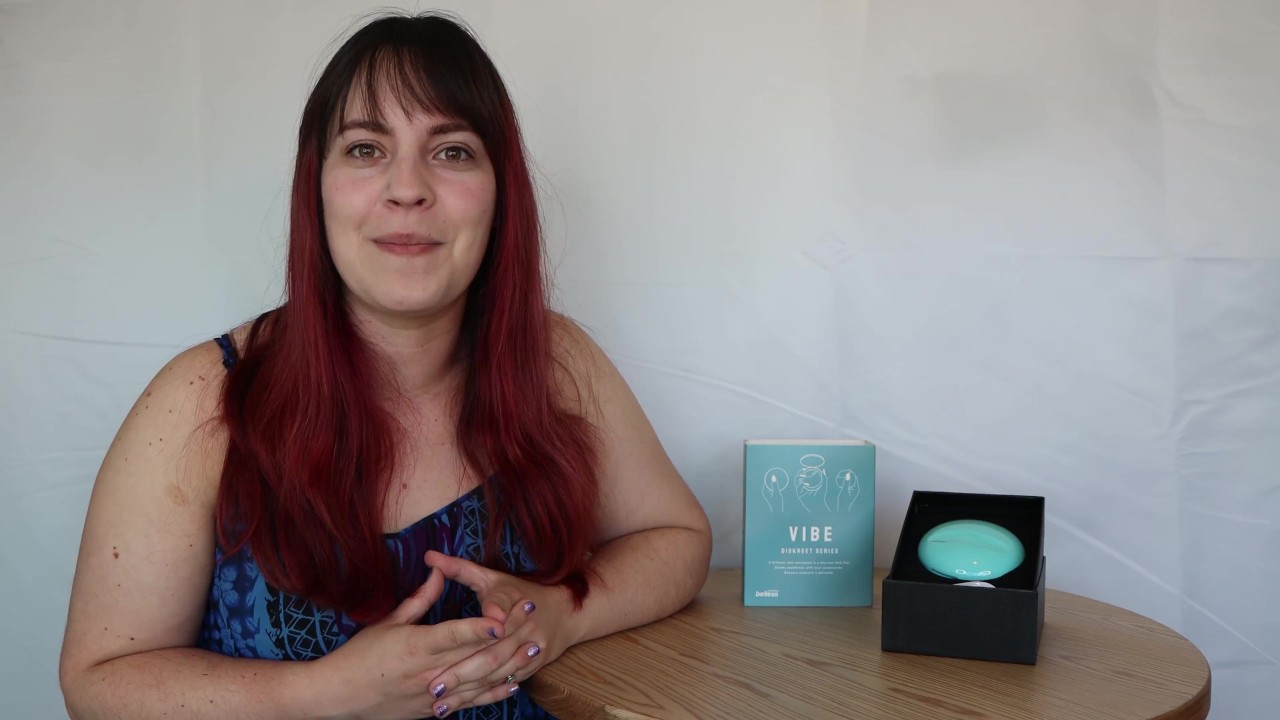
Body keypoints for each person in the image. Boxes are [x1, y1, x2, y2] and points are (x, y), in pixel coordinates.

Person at [58, 11, 713, 720]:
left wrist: (561, 613)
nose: (408, 188)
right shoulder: (201, 398)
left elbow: (678, 540)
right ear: (316, 186)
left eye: (452, 151)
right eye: (366, 148)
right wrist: (324, 694)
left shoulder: (557, 361)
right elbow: (97, 684)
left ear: (501, 191)